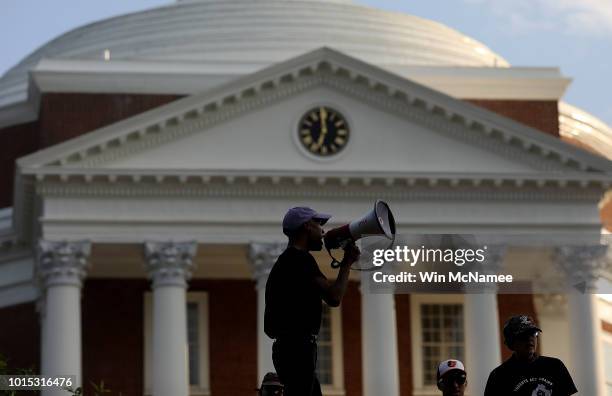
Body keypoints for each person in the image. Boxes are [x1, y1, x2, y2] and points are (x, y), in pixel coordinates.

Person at [264, 206, 360, 396]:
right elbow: (334, 297)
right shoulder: (299, 259)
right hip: (298, 349)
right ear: (307, 226)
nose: (323, 231)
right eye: (319, 225)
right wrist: (347, 262)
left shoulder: (286, 261)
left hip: (291, 349)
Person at [484, 315, 578, 396]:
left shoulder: (555, 366)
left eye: (533, 333)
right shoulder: (499, 376)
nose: (530, 338)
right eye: (523, 335)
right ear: (511, 342)